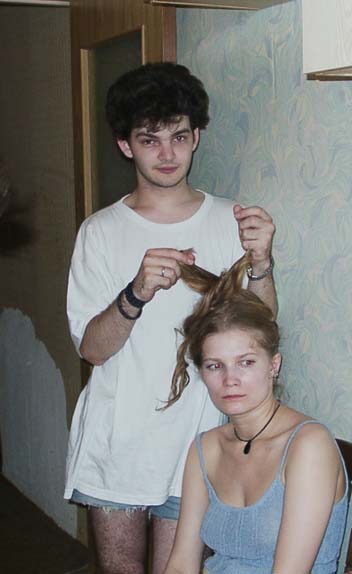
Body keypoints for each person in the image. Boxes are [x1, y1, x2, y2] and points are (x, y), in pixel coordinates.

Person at [64, 62, 277, 574]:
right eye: (149, 139)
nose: (166, 154)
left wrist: (262, 262)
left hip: (199, 442)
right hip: (118, 444)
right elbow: (91, 350)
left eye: (179, 137)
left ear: (196, 136)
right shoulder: (100, 231)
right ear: (125, 145)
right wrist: (135, 293)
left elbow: (261, 332)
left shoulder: (230, 221)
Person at [164, 255, 348, 574]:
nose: (230, 379)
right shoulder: (205, 448)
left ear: (273, 365)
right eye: (215, 366)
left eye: (246, 362)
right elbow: (182, 564)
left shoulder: (309, 446)